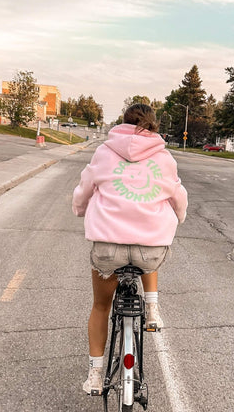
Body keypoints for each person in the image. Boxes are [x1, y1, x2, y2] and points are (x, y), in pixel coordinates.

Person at [72, 103, 188, 395]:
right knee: (150, 243)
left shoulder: (104, 153)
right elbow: (178, 196)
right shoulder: (164, 158)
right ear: (154, 126)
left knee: (101, 305)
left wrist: (79, 208)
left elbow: (85, 189)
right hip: (149, 251)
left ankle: (96, 376)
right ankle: (152, 310)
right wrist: (179, 216)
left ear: (122, 124)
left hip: (108, 251)